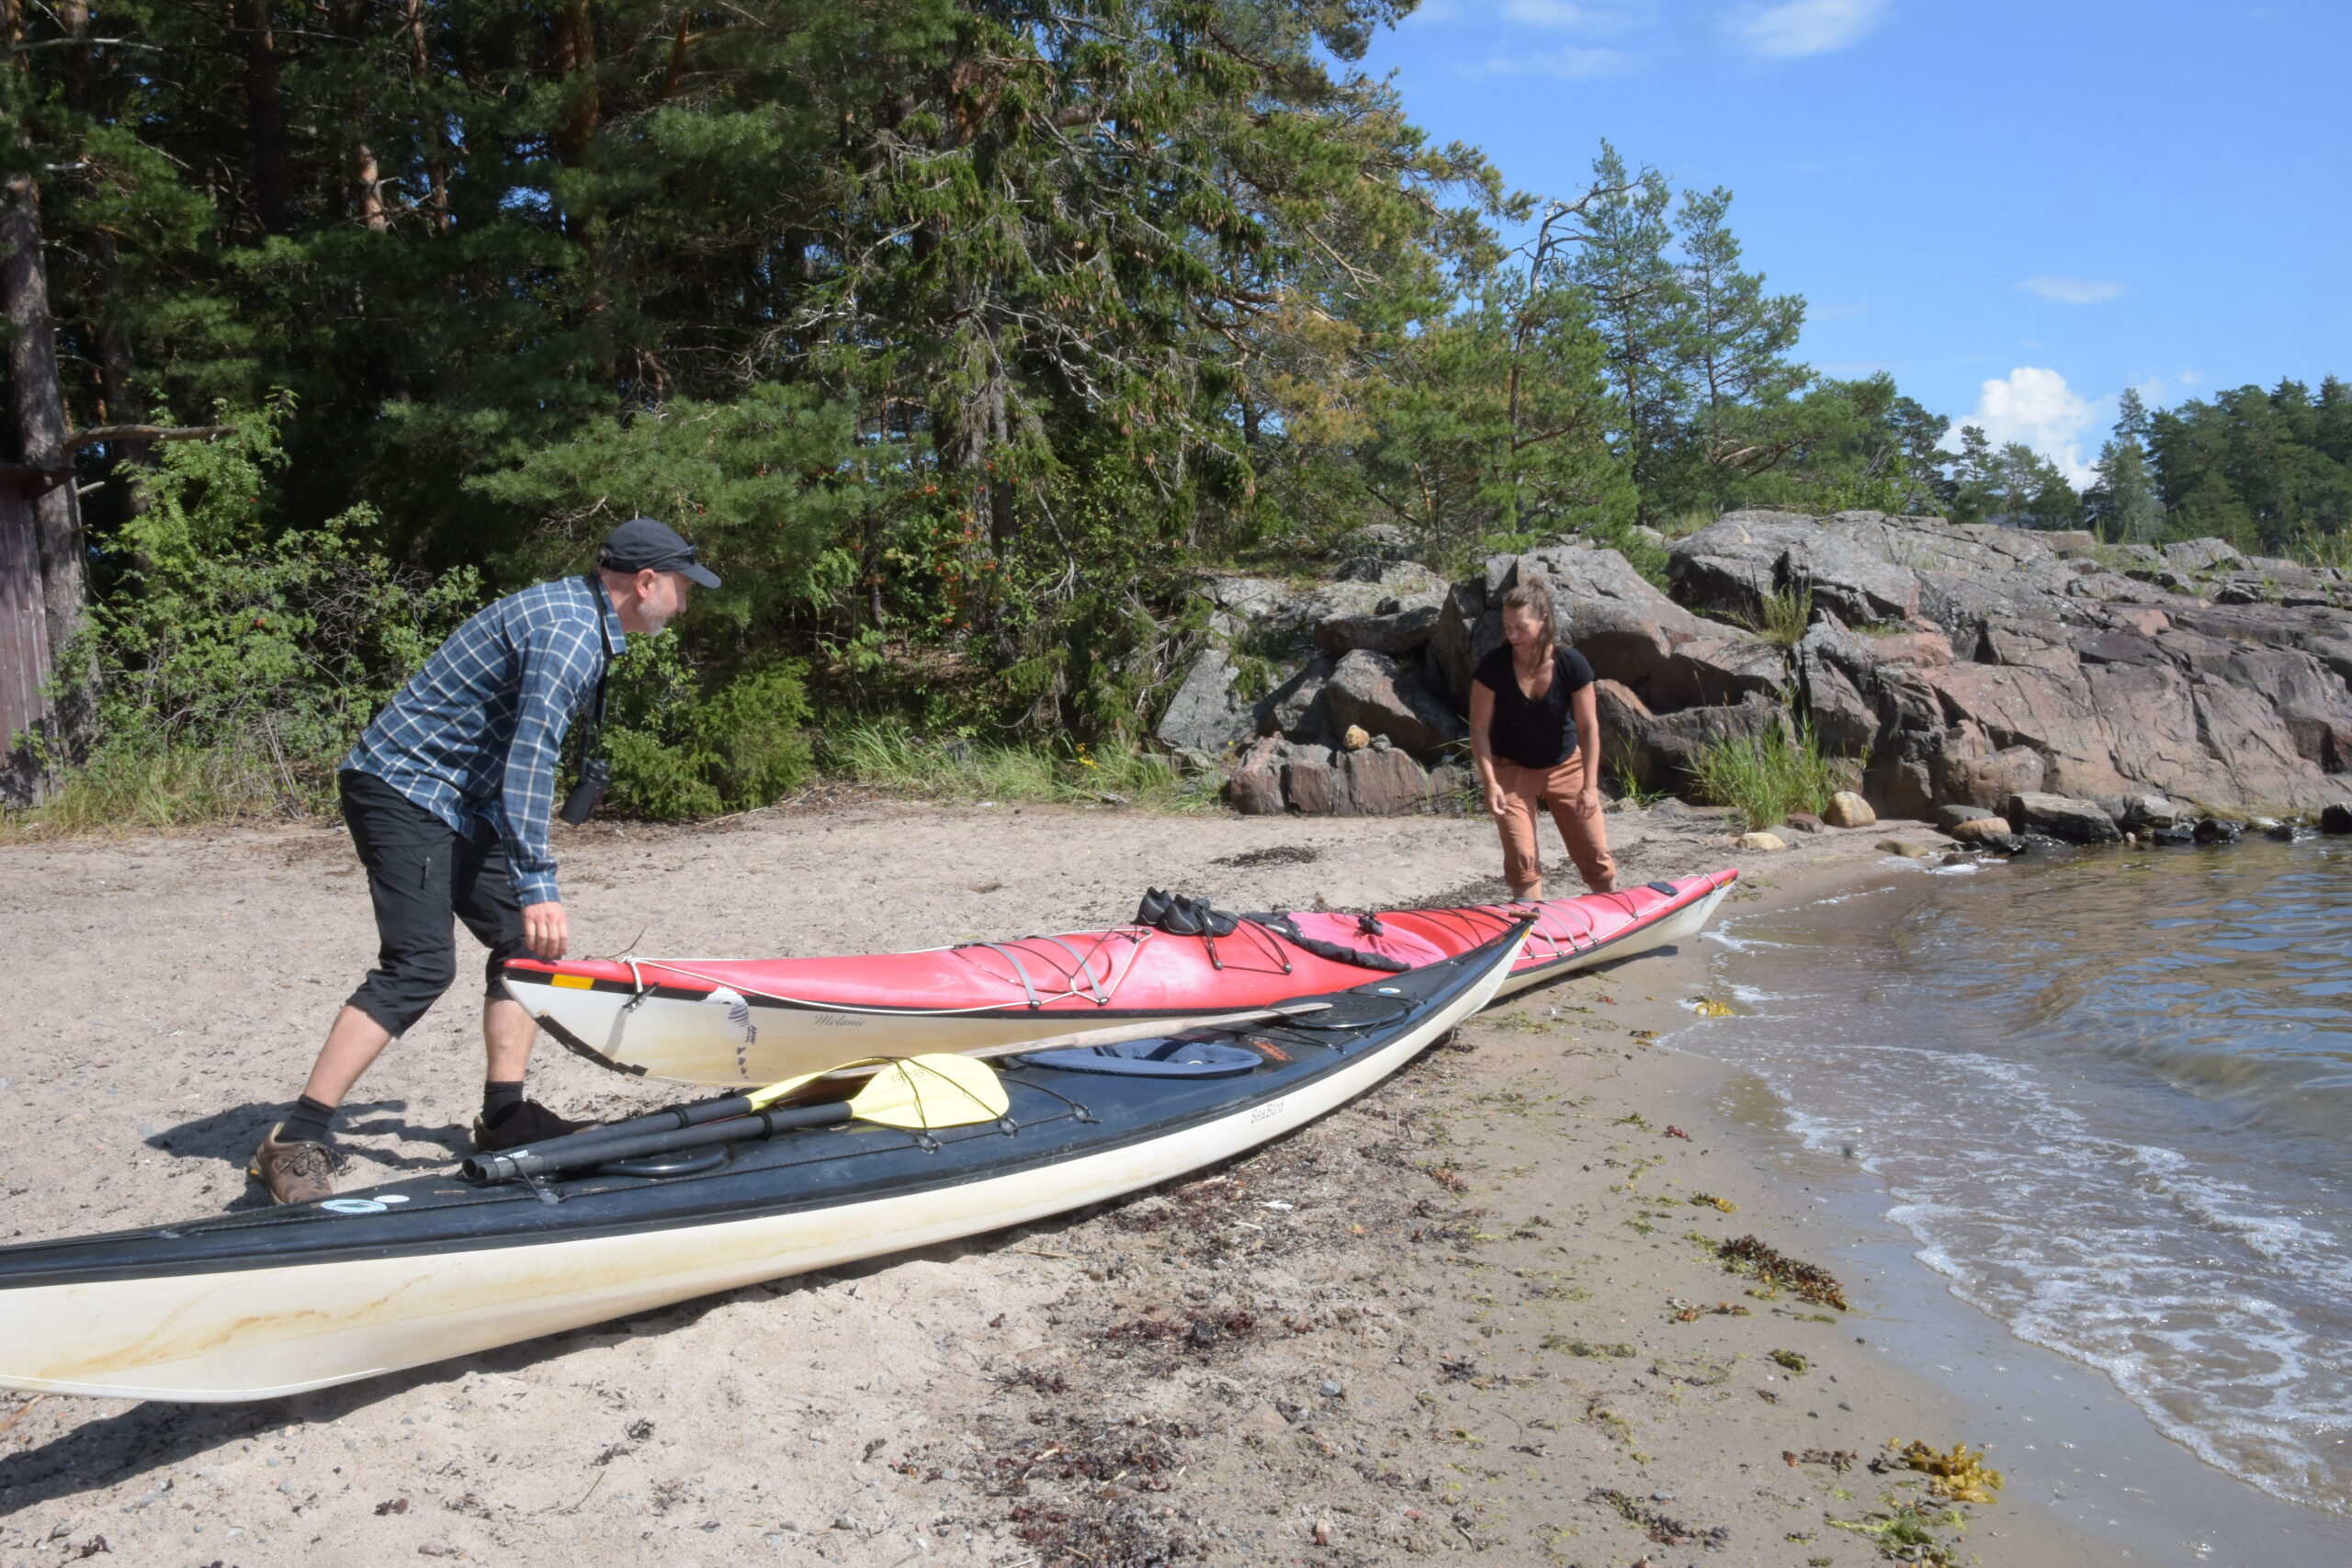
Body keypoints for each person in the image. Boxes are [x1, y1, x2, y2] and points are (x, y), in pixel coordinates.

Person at [249, 517, 721, 1205]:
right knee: (419, 965)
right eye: (682, 587)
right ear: (645, 582)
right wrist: (538, 882)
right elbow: (529, 762)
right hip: (403, 787)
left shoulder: (577, 615)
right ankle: (295, 1138)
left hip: (460, 799)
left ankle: (504, 1117)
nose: (684, 603)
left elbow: (509, 755)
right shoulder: (568, 633)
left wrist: (528, 894)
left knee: (524, 948)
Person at [1467, 576, 1618, 901]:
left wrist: (1590, 787)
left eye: (1521, 627)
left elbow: (1589, 728)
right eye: (1507, 627)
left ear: (1544, 620)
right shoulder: (1494, 666)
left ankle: (1613, 913)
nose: (1512, 635)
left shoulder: (1571, 664)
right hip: (1511, 769)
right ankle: (1530, 925)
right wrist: (1490, 782)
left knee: (1595, 852)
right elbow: (1478, 728)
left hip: (1566, 766)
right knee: (1522, 857)